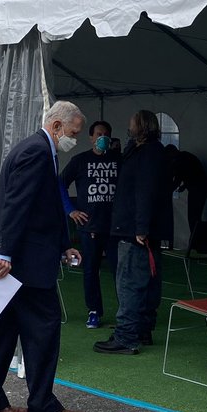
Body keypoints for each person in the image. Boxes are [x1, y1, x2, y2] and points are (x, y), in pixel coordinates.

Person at [0, 101, 88, 412]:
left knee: (6, 330)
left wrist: (64, 244)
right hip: (24, 263)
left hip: (22, 258)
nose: (74, 140)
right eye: (73, 133)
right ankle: (43, 406)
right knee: (44, 329)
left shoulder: (38, 150)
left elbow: (43, 207)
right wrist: (5, 254)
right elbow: (16, 204)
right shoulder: (37, 152)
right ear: (56, 127)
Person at [94, 110, 173, 355]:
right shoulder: (152, 152)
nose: (128, 128)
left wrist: (141, 227)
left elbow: (144, 192)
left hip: (134, 230)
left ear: (140, 127)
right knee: (147, 281)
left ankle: (127, 336)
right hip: (145, 228)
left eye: (131, 124)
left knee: (129, 282)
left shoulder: (146, 154)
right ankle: (142, 330)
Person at [60, 120, 120, 329]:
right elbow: (60, 184)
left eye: (105, 135)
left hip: (115, 228)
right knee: (90, 271)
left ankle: (125, 313)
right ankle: (94, 311)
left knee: (120, 271)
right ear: (91, 137)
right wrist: (71, 210)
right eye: (98, 134)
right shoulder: (80, 161)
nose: (102, 138)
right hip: (89, 227)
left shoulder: (119, 160)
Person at [165, 144, 207, 235]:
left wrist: (166, 192)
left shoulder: (179, 162)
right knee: (196, 216)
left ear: (171, 153)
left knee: (193, 217)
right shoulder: (187, 156)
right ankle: (198, 240)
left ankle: (195, 240)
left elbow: (177, 180)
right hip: (203, 188)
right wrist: (185, 185)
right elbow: (193, 173)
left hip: (197, 190)